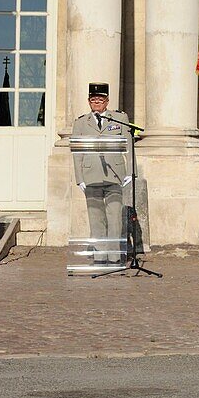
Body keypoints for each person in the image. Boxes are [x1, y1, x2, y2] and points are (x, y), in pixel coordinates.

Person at [71, 82, 133, 265]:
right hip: (91, 175)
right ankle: (100, 256)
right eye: (93, 100)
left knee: (115, 218)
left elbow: (129, 146)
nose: (96, 102)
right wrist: (79, 178)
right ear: (89, 101)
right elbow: (77, 152)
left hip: (115, 174)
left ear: (107, 101)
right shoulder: (81, 122)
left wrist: (130, 172)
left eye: (100, 99)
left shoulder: (119, 118)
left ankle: (114, 256)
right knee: (95, 217)